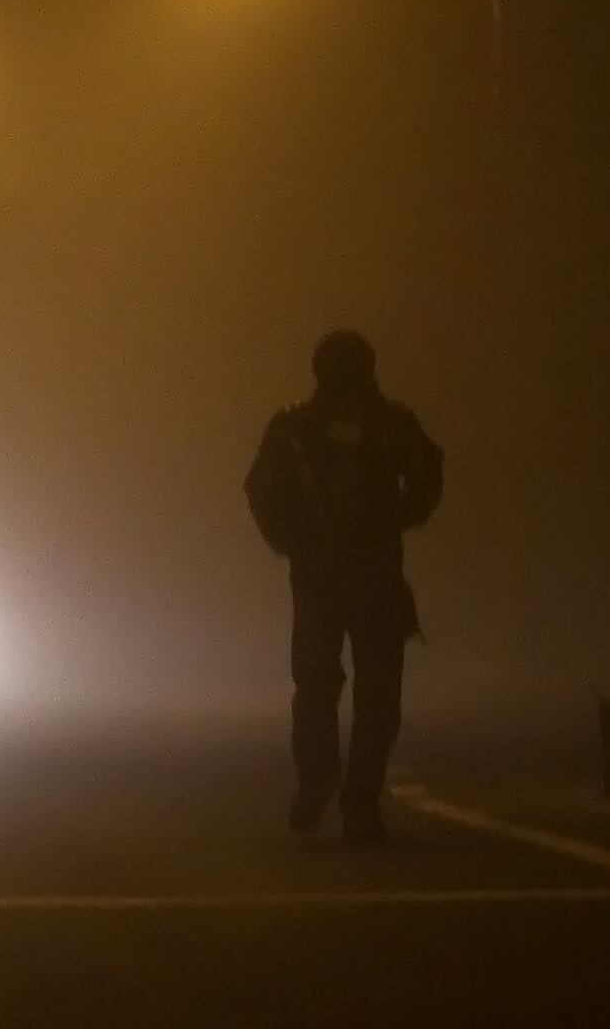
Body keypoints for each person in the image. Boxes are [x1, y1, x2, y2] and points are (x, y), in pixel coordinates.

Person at [244, 328, 444, 846]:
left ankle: (323, 788)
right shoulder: (385, 424)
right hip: (366, 574)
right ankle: (353, 801)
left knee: (318, 686)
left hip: (326, 577)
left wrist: (292, 540)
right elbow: (427, 476)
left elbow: (261, 492)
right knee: (372, 694)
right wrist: (400, 517)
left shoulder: (296, 428)